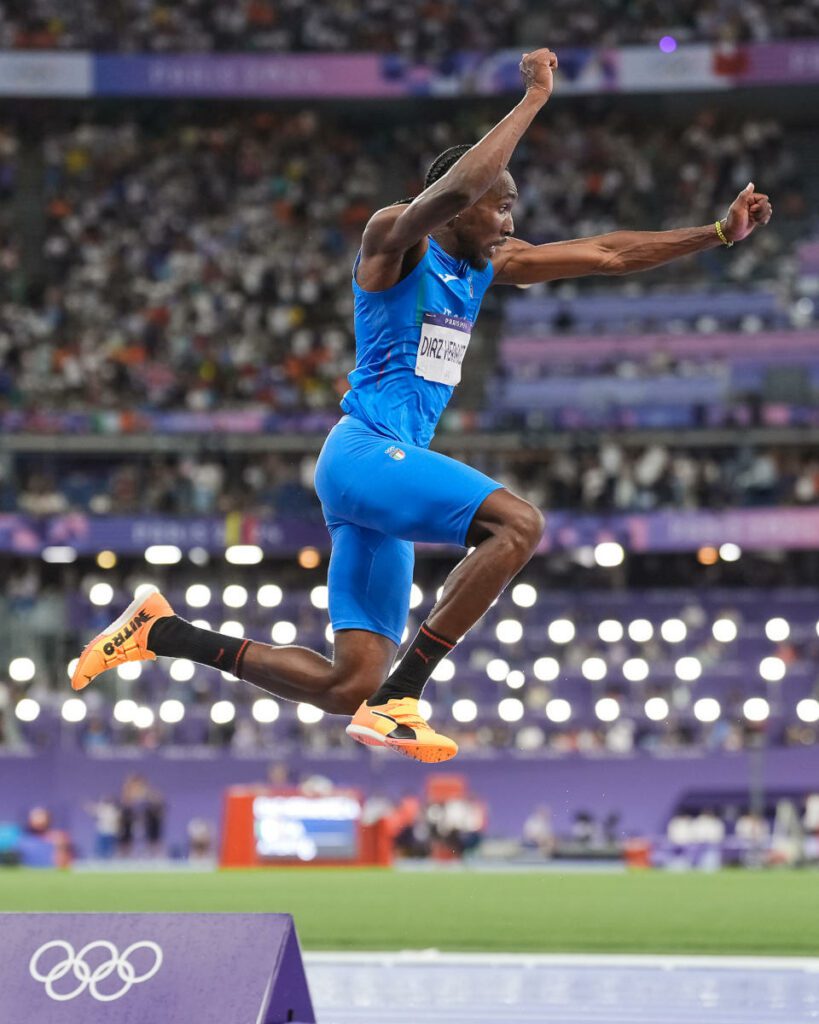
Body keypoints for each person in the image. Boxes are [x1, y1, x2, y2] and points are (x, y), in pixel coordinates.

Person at [70, 48, 773, 763]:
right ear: (459, 207)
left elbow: (609, 254)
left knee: (346, 686)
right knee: (517, 525)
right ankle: (404, 696)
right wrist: (532, 100)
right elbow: (453, 188)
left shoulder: (487, 264)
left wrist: (715, 235)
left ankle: (161, 633)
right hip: (365, 453)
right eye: (499, 206)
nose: (506, 222)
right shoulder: (392, 242)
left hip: (379, 477)